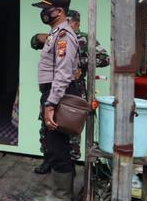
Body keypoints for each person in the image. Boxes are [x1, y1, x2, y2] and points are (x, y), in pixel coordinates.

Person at [30, 9, 110, 175]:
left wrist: (80, 64)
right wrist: (40, 37)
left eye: (69, 21)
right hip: (52, 88)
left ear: (76, 23)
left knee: (69, 128)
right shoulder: (57, 35)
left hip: (74, 90)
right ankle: (48, 160)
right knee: (47, 127)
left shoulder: (85, 38)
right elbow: (34, 43)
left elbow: (105, 58)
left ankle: (69, 167)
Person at [31, 0, 80, 201]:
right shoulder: (55, 33)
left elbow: (63, 73)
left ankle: (62, 197)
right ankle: (59, 192)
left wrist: (51, 104)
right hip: (53, 92)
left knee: (58, 145)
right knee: (53, 144)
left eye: (46, 9)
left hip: (58, 93)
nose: (43, 13)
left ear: (59, 11)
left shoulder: (64, 36)